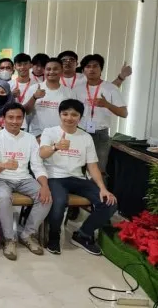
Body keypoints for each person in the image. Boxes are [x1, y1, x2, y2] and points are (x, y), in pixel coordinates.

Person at [39, 99, 117, 255]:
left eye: (74, 114)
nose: (69, 118)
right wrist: (55, 147)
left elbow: (92, 166)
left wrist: (103, 188)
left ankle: (83, 234)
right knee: (59, 201)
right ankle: (54, 237)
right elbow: (42, 153)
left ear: (80, 117)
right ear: (59, 114)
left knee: (109, 202)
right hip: (55, 177)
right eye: (65, 114)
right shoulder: (50, 132)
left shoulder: (85, 137)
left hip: (77, 179)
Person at [0, 102, 52, 261]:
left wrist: (45, 186)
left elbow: (37, 166)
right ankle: (9, 239)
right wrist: (4, 165)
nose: (15, 121)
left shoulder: (30, 139)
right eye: (10, 117)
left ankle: (27, 234)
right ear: (3, 119)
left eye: (18, 118)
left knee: (46, 198)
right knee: (3, 198)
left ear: (23, 119)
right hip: (1, 179)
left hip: (24, 178)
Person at [73, 54, 128, 173]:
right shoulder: (77, 89)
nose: (92, 69)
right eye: (88, 66)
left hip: (100, 135)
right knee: (77, 169)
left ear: (101, 69)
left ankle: (99, 192)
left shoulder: (111, 88)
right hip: (80, 132)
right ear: (83, 70)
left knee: (99, 170)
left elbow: (124, 113)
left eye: (95, 66)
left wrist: (107, 104)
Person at [23, 58, 73, 139]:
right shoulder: (34, 88)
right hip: (37, 135)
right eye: (48, 69)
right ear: (44, 71)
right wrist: (34, 97)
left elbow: (73, 116)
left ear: (62, 71)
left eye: (55, 69)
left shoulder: (69, 93)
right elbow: (25, 111)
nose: (51, 72)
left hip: (60, 136)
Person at [57, 50, 131, 90]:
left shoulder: (86, 78)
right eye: (64, 60)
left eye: (71, 60)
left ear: (77, 64)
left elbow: (108, 89)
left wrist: (121, 76)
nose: (68, 62)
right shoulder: (53, 79)